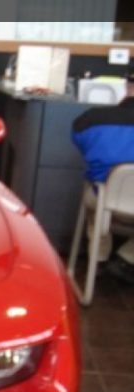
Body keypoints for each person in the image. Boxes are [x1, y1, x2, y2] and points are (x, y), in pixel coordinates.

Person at [71, 72, 134, 284]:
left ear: (127, 86)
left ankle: (98, 258)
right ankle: (126, 259)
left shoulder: (91, 119)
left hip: (104, 199)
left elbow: (79, 142)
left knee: (94, 193)